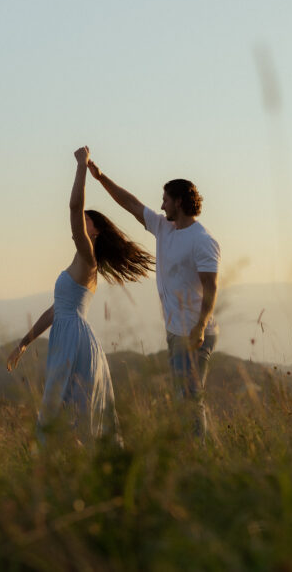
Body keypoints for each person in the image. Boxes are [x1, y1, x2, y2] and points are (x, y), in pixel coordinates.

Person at [7, 146, 153, 444]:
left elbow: (74, 208)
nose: (80, 223)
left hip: (73, 338)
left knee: (59, 411)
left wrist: (81, 165)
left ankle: (54, 470)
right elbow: (54, 310)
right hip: (68, 334)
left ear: (95, 232)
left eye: (88, 221)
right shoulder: (81, 261)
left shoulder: (88, 258)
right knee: (67, 411)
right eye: (84, 219)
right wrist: (24, 343)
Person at [87, 159, 221, 437]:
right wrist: (100, 177)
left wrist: (199, 327)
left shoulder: (203, 240)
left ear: (179, 202)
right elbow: (131, 204)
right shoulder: (164, 228)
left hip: (195, 332)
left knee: (190, 400)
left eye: (165, 200)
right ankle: (191, 454)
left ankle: (199, 459)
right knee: (183, 398)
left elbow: (211, 288)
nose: (161, 206)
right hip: (176, 331)